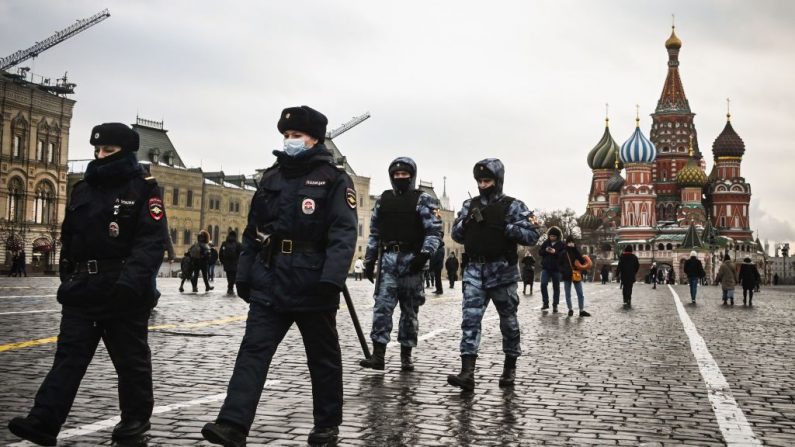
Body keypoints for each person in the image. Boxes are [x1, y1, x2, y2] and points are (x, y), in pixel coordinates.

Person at [201, 106, 357, 446]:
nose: (290, 141)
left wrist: (331, 279)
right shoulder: (272, 178)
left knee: (323, 359)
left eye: (296, 136)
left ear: (314, 138)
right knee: (252, 352)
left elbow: (344, 232)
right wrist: (245, 273)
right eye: (286, 136)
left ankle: (326, 425)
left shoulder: (334, 179)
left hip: (313, 281)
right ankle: (232, 424)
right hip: (271, 279)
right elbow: (252, 231)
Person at [8, 122, 166, 445]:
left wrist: (130, 284)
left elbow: (150, 242)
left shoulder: (144, 189)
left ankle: (135, 420)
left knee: (131, 361)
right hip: (82, 289)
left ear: (126, 151)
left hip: (123, 290)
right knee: (68, 357)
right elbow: (70, 237)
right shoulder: (83, 188)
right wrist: (69, 273)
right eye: (97, 150)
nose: (100, 155)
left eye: (108, 150)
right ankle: (43, 421)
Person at [447, 158, 540, 391]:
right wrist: (467, 222)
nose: (482, 184)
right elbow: (456, 235)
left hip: (502, 272)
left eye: (487, 180)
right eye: (479, 180)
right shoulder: (470, 205)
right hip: (474, 272)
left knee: (508, 322)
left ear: (497, 180)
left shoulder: (513, 206)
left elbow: (532, 235)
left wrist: (506, 227)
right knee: (470, 321)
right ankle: (467, 373)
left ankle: (510, 367)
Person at [359, 157, 443, 372]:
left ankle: (406, 355)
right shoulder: (383, 200)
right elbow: (375, 232)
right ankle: (378, 355)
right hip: (388, 260)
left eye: (404, 175)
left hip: (411, 261)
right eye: (396, 175)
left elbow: (434, 231)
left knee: (409, 311)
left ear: (412, 176)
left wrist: (424, 256)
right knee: (382, 308)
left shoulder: (423, 200)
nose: (400, 178)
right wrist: (369, 261)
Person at [560, 237, 591, 317]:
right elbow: (559, 264)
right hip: (567, 275)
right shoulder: (563, 252)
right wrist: (564, 271)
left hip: (576, 274)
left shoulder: (576, 251)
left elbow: (582, 261)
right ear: (566, 243)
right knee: (568, 293)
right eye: (569, 242)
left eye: (572, 242)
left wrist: (575, 250)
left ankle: (581, 310)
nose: (571, 243)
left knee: (580, 293)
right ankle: (570, 309)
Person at [538, 226, 565, 312]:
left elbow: (563, 255)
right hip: (546, 268)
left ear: (558, 236)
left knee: (556, 287)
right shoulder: (546, 243)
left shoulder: (561, 244)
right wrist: (546, 250)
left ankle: (555, 305)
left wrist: (555, 252)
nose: (552, 237)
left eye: (554, 236)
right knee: (543, 284)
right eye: (551, 236)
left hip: (556, 269)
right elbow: (540, 252)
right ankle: (545, 303)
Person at [219, 231, 242, 295]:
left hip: (227, 263)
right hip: (235, 263)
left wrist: (222, 261)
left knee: (229, 276)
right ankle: (230, 288)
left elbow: (220, 254)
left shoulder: (224, 243)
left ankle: (230, 288)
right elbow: (241, 254)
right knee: (233, 276)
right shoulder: (238, 244)